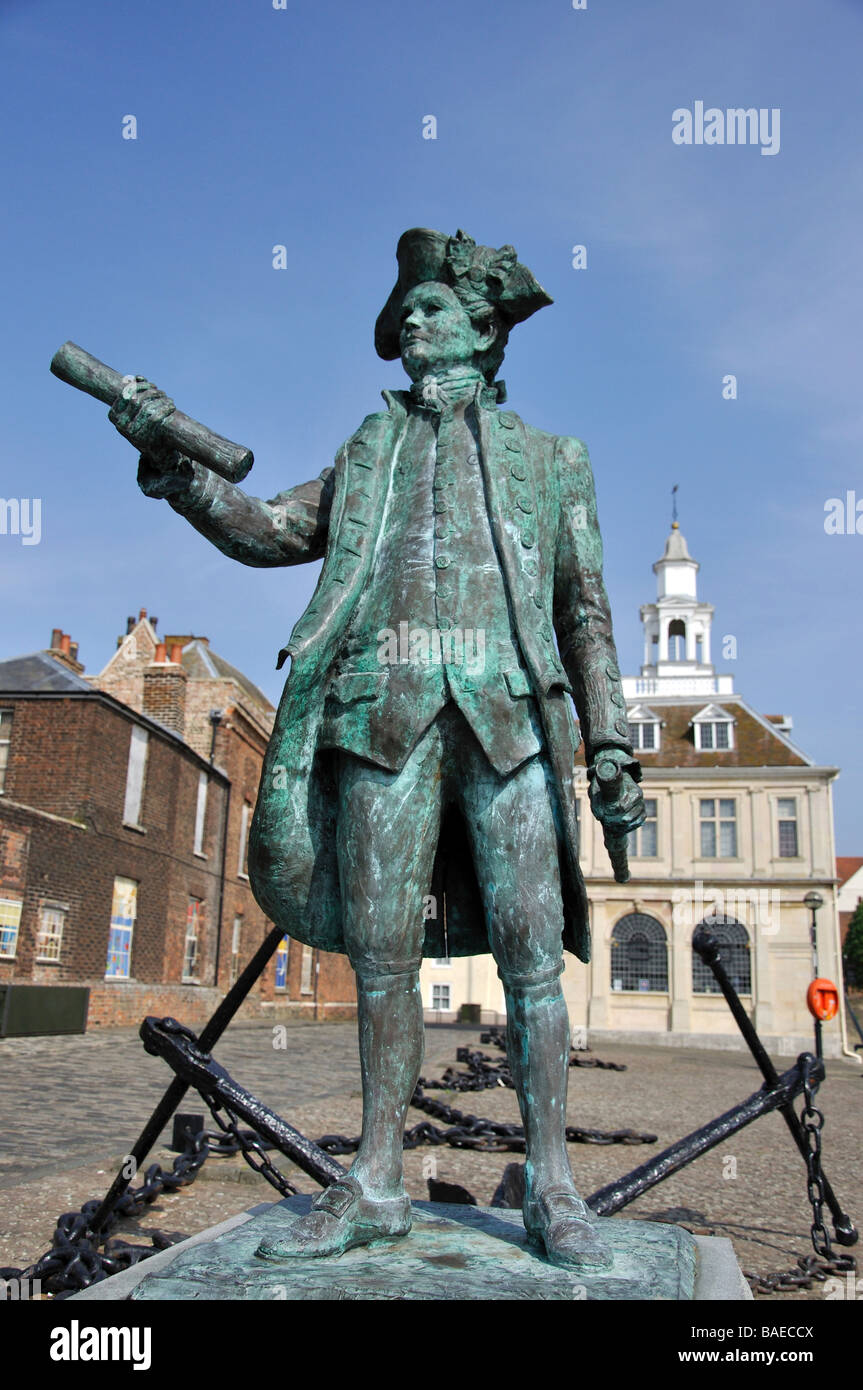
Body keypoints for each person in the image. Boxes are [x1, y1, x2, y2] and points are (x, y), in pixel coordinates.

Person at [110, 227, 645, 1269]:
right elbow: (265, 528)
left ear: (483, 329)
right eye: (403, 314)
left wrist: (612, 737)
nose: (410, 323)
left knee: (535, 961)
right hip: (379, 718)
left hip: (507, 719)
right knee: (383, 962)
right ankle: (375, 1181)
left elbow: (584, 611)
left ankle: (551, 1187)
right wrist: (174, 467)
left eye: (431, 308)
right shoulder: (366, 452)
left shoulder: (552, 462)